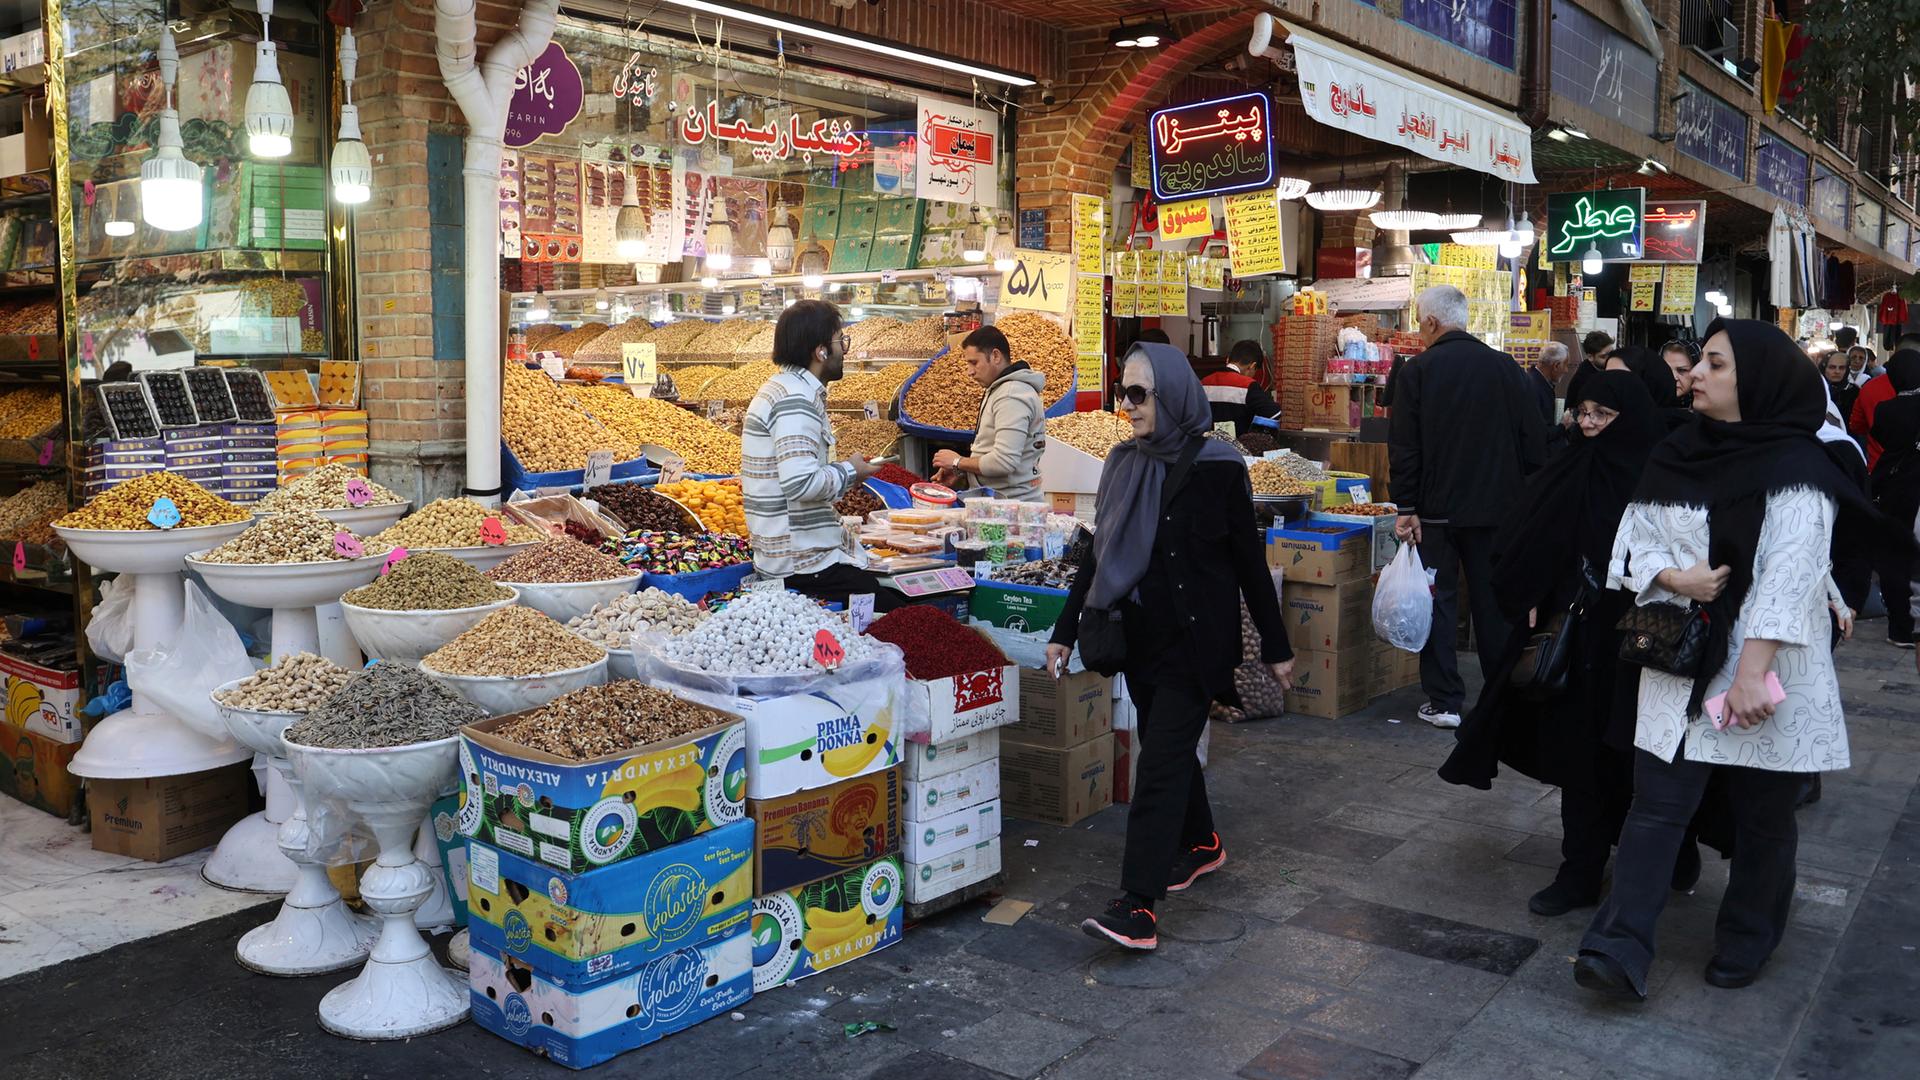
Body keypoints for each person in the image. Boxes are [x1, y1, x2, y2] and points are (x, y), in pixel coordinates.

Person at [1575, 319, 1882, 1000]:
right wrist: (1673, 579)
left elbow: (1790, 571)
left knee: (1764, 819)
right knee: (1655, 809)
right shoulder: (1677, 450)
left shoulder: (1801, 468)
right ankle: (1617, 946)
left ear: (1758, 380)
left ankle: (1749, 935)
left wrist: (1750, 670)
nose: (1696, 375)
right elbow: (1634, 541)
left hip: (1766, 672)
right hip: (1680, 663)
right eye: (1699, 363)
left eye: (1714, 363)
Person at [1046, 342, 1293, 952]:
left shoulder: (1219, 467)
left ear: (1173, 394)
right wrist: (1064, 630)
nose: (1125, 406)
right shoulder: (1123, 462)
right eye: (1121, 392)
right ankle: (1203, 843)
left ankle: (1137, 906)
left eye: (1138, 394)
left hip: (1197, 643)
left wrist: (1277, 646)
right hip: (1140, 639)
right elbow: (1098, 554)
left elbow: (1248, 563)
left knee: (1155, 768)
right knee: (1168, 748)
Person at [1440, 372, 1669, 915]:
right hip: (1578, 634)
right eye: (1582, 411)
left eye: (1602, 415)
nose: (1587, 424)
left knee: (1642, 757)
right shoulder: (1569, 465)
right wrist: (1534, 587)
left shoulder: (1656, 474)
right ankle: (1581, 868)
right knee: (1580, 755)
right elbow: (1527, 536)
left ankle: (1664, 851)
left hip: (1641, 639)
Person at [1389, 285, 1548, 728]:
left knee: (1438, 602)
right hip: (1498, 514)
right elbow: (1534, 443)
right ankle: (1500, 699)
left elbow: (1404, 446)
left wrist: (1406, 505)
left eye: (1420, 323)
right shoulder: (1505, 368)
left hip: (1434, 515)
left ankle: (1444, 701)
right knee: (1494, 604)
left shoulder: (1417, 371)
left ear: (1432, 323)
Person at [740, 300, 896, 609]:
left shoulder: (783, 389)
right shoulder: (796, 399)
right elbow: (800, 482)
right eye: (841, 341)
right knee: (905, 615)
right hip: (805, 565)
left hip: (793, 558)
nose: (844, 351)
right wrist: (851, 472)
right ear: (821, 351)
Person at [931, 326, 1047, 501]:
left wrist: (957, 462)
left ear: (995, 356)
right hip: (1000, 504)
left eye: (974, 362)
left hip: (1012, 509)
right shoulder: (1000, 389)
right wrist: (963, 471)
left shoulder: (1011, 395)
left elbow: (1004, 462)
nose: (969, 372)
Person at [1868, 350, 1920, 647]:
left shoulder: (1888, 409)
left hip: (1896, 489)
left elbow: (1880, 435)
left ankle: (1900, 627)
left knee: (1894, 559)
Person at [1198, 340, 1282, 437]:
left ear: (1228, 359)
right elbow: (1275, 413)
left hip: (1208, 448)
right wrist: (1254, 435)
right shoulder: (1248, 385)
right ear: (1252, 366)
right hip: (1238, 449)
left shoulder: (1204, 382)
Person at [1566, 330, 1614, 410]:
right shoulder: (1583, 379)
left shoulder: (1611, 367)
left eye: (1611, 353)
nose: (1610, 358)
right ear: (1590, 357)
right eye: (1603, 356)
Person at [1530, 341, 1570, 430]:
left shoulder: (1538, 382)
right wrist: (1563, 425)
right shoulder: (1535, 388)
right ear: (1556, 366)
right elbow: (1540, 433)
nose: (1566, 370)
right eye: (1566, 365)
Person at [1821, 349, 1860, 418]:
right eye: (1832, 367)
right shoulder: (1816, 390)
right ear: (1824, 368)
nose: (1837, 371)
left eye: (1841, 368)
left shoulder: (1854, 391)